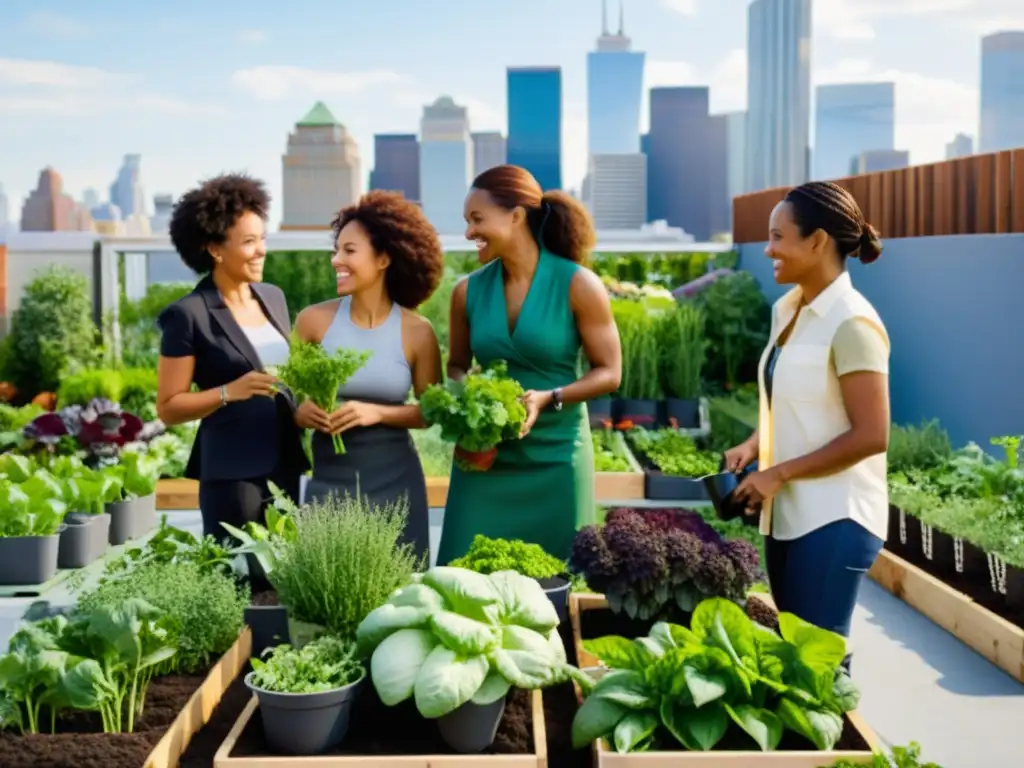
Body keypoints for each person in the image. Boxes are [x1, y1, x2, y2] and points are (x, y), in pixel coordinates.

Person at [728, 180, 890, 649]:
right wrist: (757, 445)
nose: (767, 248)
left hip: (833, 520)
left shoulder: (852, 323)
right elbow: (797, 398)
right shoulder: (792, 310)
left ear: (817, 241)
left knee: (817, 664)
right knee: (794, 656)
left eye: (779, 236)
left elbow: (871, 434)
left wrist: (778, 473)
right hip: (791, 514)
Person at [435, 165, 622, 564]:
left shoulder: (577, 283)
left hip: (556, 457)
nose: (469, 233)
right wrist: (472, 402)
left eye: (477, 219)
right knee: (464, 574)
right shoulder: (466, 292)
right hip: (485, 459)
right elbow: (455, 366)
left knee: (555, 584)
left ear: (516, 216)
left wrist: (548, 397)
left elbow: (609, 372)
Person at [293, 190, 444, 560]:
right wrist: (300, 410)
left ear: (384, 258)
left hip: (396, 483)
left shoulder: (417, 331)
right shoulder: (313, 322)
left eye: (349, 251)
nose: (336, 260)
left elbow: (431, 411)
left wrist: (378, 413)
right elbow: (288, 394)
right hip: (329, 481)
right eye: (336, 250)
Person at [156, 173, 307, 541]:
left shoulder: (272, 297)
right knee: (246, 585)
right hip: (233, 475)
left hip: (285, 465)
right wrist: (229, 391)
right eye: (249, 242)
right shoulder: (188, 314)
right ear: (215, 248)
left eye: (263, 239)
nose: (262, 251)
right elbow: (169, 407)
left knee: (285, 582)